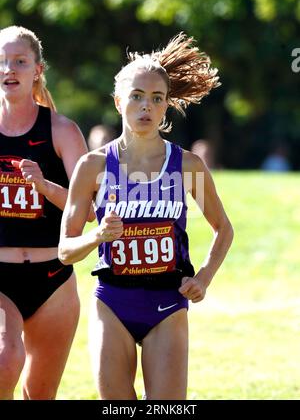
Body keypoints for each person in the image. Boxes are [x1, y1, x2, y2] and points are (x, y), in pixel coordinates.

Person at [59, 32, 234, 400]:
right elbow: (65, 250)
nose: (146, 107)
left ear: (167, 106)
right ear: (119, 100)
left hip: (168, 303)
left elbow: (223, 229)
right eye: (137, 96)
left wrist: (204, 276)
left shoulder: (187, 166)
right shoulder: (92, 167)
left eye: (156, 98)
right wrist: (96, 237)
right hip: (112, 301)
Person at [0, 25, 93, 399]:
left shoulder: (61, 130)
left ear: (37, 69)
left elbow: (87, 211)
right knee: (6, 358)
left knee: (40, 394)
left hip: (53, 277)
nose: (9, 69)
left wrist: (43, 186)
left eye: (20, 62)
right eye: (3, 62)